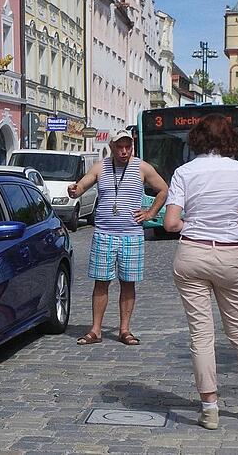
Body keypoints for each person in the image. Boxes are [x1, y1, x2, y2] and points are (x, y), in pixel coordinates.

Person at [163, 114, 238, 429]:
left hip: (191, 254)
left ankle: (209, 409)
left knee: (201, 334)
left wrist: (194, 226)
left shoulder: (183, 172)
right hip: (229, 256)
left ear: (197, 138)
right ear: (230, 139)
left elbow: (171, 223)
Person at [68, 129, 168, 346]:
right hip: (104, 234)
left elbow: (162, 189)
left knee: (128, 283)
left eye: (128, 147)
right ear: (112, 147)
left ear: (132, 146)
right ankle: (96, 330)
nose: (124, 151)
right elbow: (83, 185)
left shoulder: (142, 167)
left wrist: (150, 213)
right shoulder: (101, 166)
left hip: (131, 235)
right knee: (101, 282)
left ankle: (125, 330)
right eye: (120, 147)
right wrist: (75, 191)